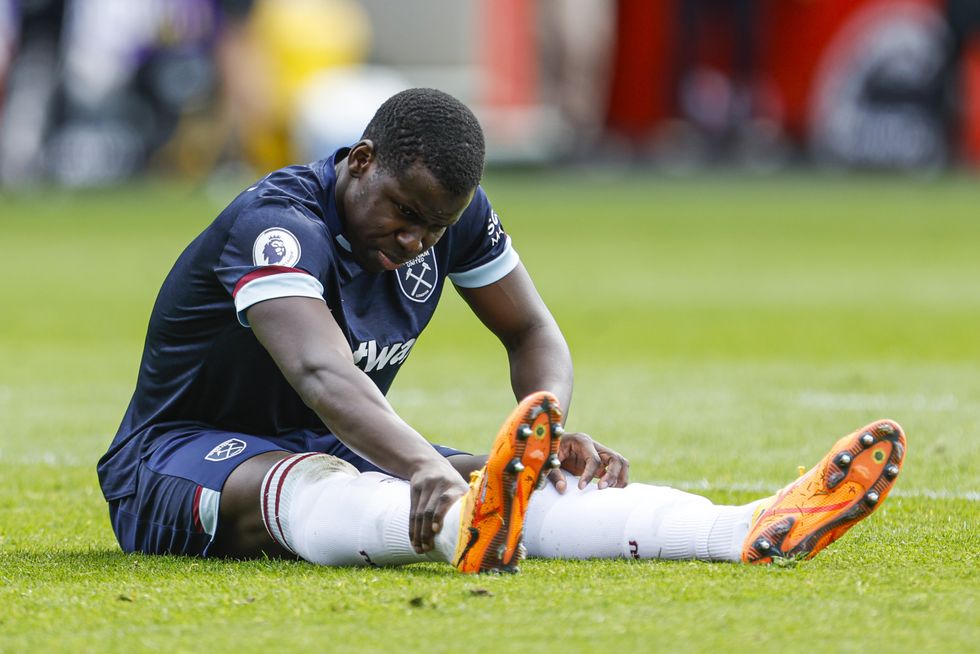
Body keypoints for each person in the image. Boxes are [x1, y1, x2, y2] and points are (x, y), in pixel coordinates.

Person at [97, 88, 906, 572]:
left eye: (434, 227)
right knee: (324, 487)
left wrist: (545, 424)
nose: (416, 241)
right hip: (174, 457)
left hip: (332, 437)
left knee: (521, 482)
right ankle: (459, 528)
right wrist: (423, 465)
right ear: (361, 159)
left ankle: (742, 527)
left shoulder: (448, 216)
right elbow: (322, 375)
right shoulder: (276, 225)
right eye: (404, 214)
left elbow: (533, 333)